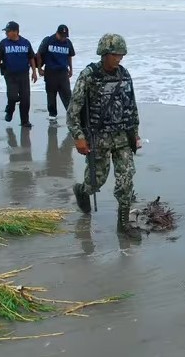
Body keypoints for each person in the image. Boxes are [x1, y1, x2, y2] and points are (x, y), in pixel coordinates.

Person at [66, 33, 143, 241]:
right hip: (97, 138)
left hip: (122, 138)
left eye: (121, 54)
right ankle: (82, 191)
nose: (119, 59)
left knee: (126, 180)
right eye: (115, 54)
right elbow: (73, 110)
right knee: (95, 183)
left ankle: (124, 224)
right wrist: (78, 136)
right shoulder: (89, 76)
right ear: (104, 54)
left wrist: (135, 133)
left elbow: (131, 106)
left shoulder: (124, 74)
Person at [0, 21, 37, 127]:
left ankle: (25, 121)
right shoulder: (4, 43)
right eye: (6, 31)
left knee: (25, 99)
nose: (6, 33)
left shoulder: (26, 42)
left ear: (16, 32)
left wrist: (34, 72)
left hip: (24, 75)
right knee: (12, 96)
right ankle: (10, 110)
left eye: (8, 31)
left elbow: (31, 58)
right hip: (10, 75)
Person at [36, 24, 75, 122]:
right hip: (50, 72)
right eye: (61, 36)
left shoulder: (68, 42)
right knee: (51, 94)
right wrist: (39, 68)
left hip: (63, 72)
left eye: (65, 36)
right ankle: (52, 115)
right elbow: (39, 54)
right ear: (57, 33)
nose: (63, 38)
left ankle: (71, 115)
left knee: (67, 94)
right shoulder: (48, 41)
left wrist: (71, 69)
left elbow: (69, 56)